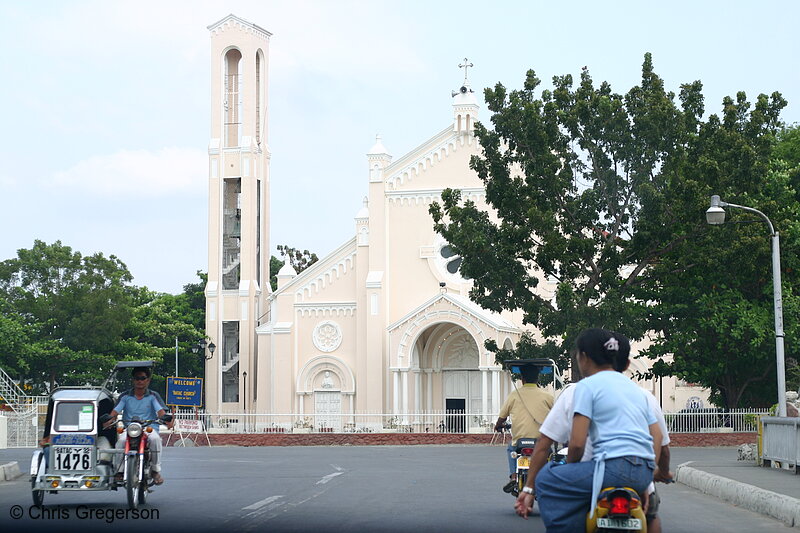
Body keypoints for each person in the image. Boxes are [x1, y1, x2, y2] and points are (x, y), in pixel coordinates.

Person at [515, 336, 673, 532]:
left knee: (547, 477)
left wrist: (570, 470)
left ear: (584, 357)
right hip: (642, 473)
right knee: (652, 517)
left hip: (608, 470)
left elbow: (577, 444)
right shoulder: (637, 390)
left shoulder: (586, 386)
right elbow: (657, 437)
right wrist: (649, 471)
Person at [105, 367, 172, 484]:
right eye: (137, 378)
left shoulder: (153, 396)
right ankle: (120, 472)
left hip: (148, 428)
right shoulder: (125, 396)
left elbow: (161, 411)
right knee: (120, 441)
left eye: (143, 378)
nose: (140, 381)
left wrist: (166, 420)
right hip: (130, 428)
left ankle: (155, 470)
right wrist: (109, 420)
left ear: (148, 380)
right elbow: (115, 411)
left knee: (155, 440)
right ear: (133, 380)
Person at [494, 362, 554, 494]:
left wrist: (498, 425)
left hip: (520, 441)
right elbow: (557, 414)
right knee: (551, 455)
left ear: (522, 379)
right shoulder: (547, 396)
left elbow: (502, 416)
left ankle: (514, 477)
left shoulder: (514, 395)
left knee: (511, 447)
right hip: (541, 441)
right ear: (537, 378)